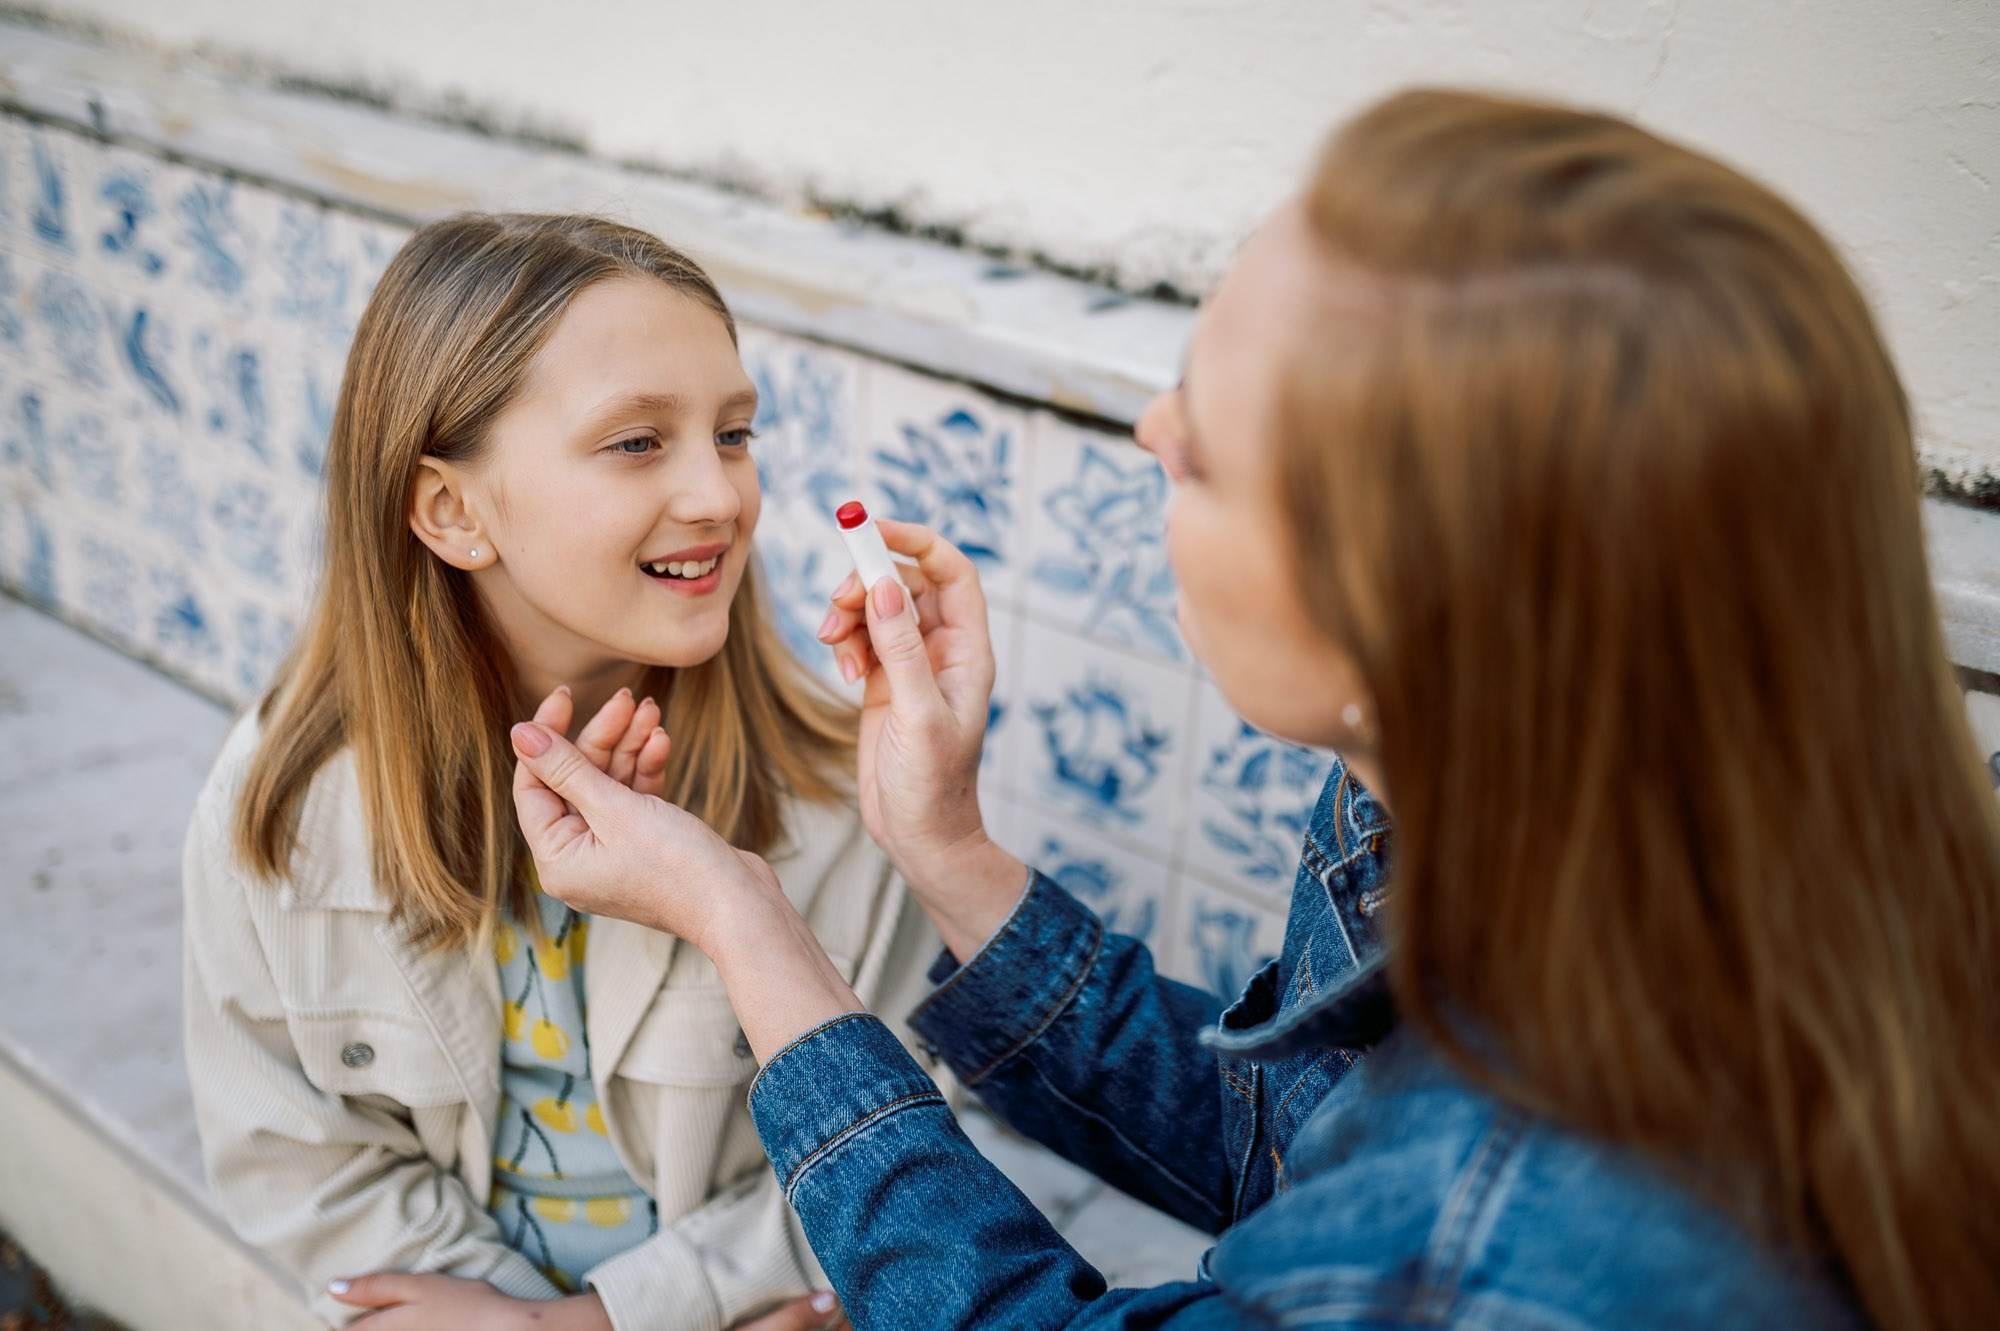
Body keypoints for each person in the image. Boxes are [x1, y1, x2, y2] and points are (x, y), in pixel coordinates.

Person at [500, 91, 2000, 1330]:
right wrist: (944, 839)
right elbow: (1294, 1165)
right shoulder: (1459, 811)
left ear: (1398, 611)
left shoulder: (1513, 1232)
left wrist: (742, 919)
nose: (1153, 427)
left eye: (1205, 446)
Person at [182, 213, 944, 1331]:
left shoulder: (835, 789)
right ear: (450, 509)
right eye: (638, 441)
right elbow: (293, 1146)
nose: (721, 495)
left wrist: (600, 1322)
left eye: (733, 434)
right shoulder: (286, 800)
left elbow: (914, 1134)